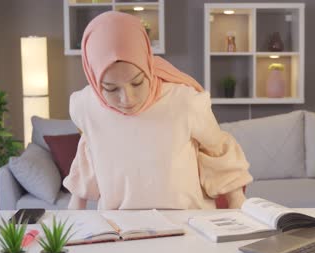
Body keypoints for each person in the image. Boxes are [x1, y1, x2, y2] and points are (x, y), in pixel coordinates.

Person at [64, 11, 252, 210]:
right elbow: (89, 148)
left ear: (147, 65)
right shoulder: (85, 106)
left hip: (188, 225)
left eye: (137, 83)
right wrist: (76, 205)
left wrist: (236, 202)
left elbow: (216, 148)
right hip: (121, 229)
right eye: (111, 89)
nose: (127, 99)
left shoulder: (184, 102)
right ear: (93, 79)